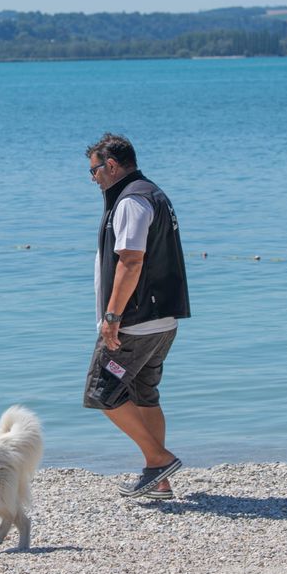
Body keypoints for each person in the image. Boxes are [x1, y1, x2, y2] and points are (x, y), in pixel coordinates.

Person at [82, 133, 190, 499]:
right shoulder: (152, 193)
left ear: (111, 166)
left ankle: (160, 459)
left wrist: (112, 317)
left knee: (102, 392)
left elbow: (131, 261)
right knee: (145, 396)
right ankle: (159, 479)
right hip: (162, 321)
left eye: (94, 170)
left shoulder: (131, 202)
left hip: (135, 323)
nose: (93, 178)